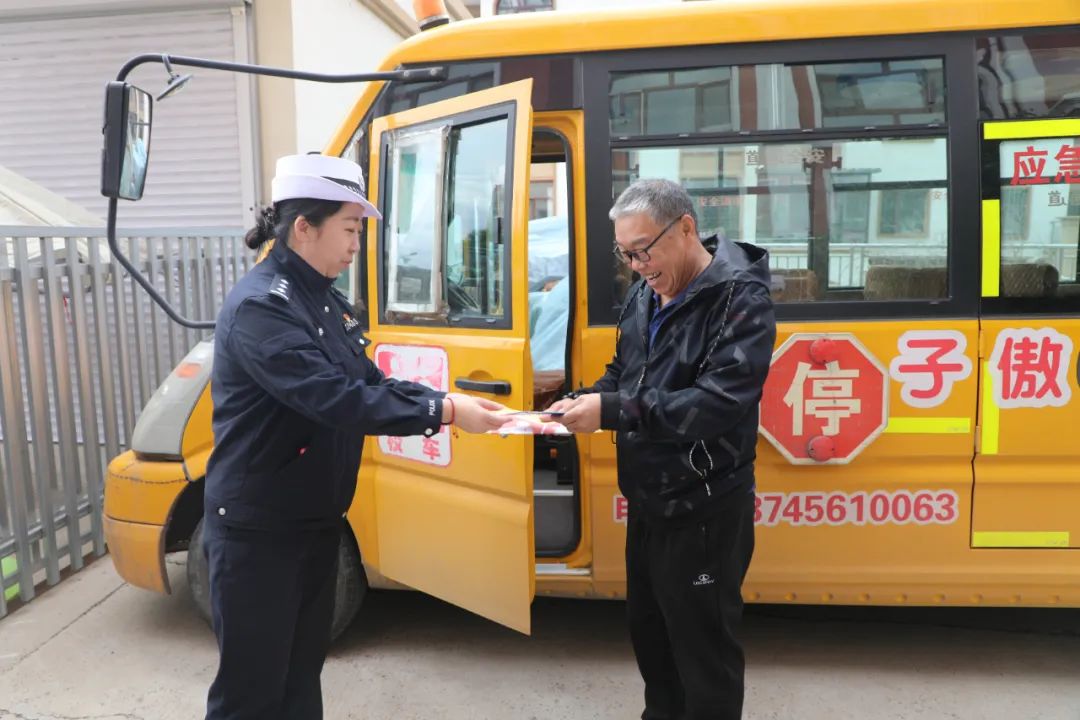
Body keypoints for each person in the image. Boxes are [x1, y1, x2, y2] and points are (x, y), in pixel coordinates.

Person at [202, 153, 506, 719]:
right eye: (349, 228)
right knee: (250, 693)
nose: (356, 243)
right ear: (303, 228)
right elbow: (335, 400)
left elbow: (368, 380)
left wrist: (445, 402)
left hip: (313, 523)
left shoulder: (322, 297)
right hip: (259, 534)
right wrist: (445, 412)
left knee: (299, 679)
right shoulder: (261, 308)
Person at [545, 179, 776, 720]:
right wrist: (583, 401)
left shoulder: (741, 299)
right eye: (625, 254)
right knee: (653, 643)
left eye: (643, 250)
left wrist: (611, 412)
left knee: (703, 655)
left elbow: (718, 404)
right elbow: (625, 374)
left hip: (704, 511)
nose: (636, 265)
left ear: (686, 229)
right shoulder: (646, 291)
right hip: (650, 503)